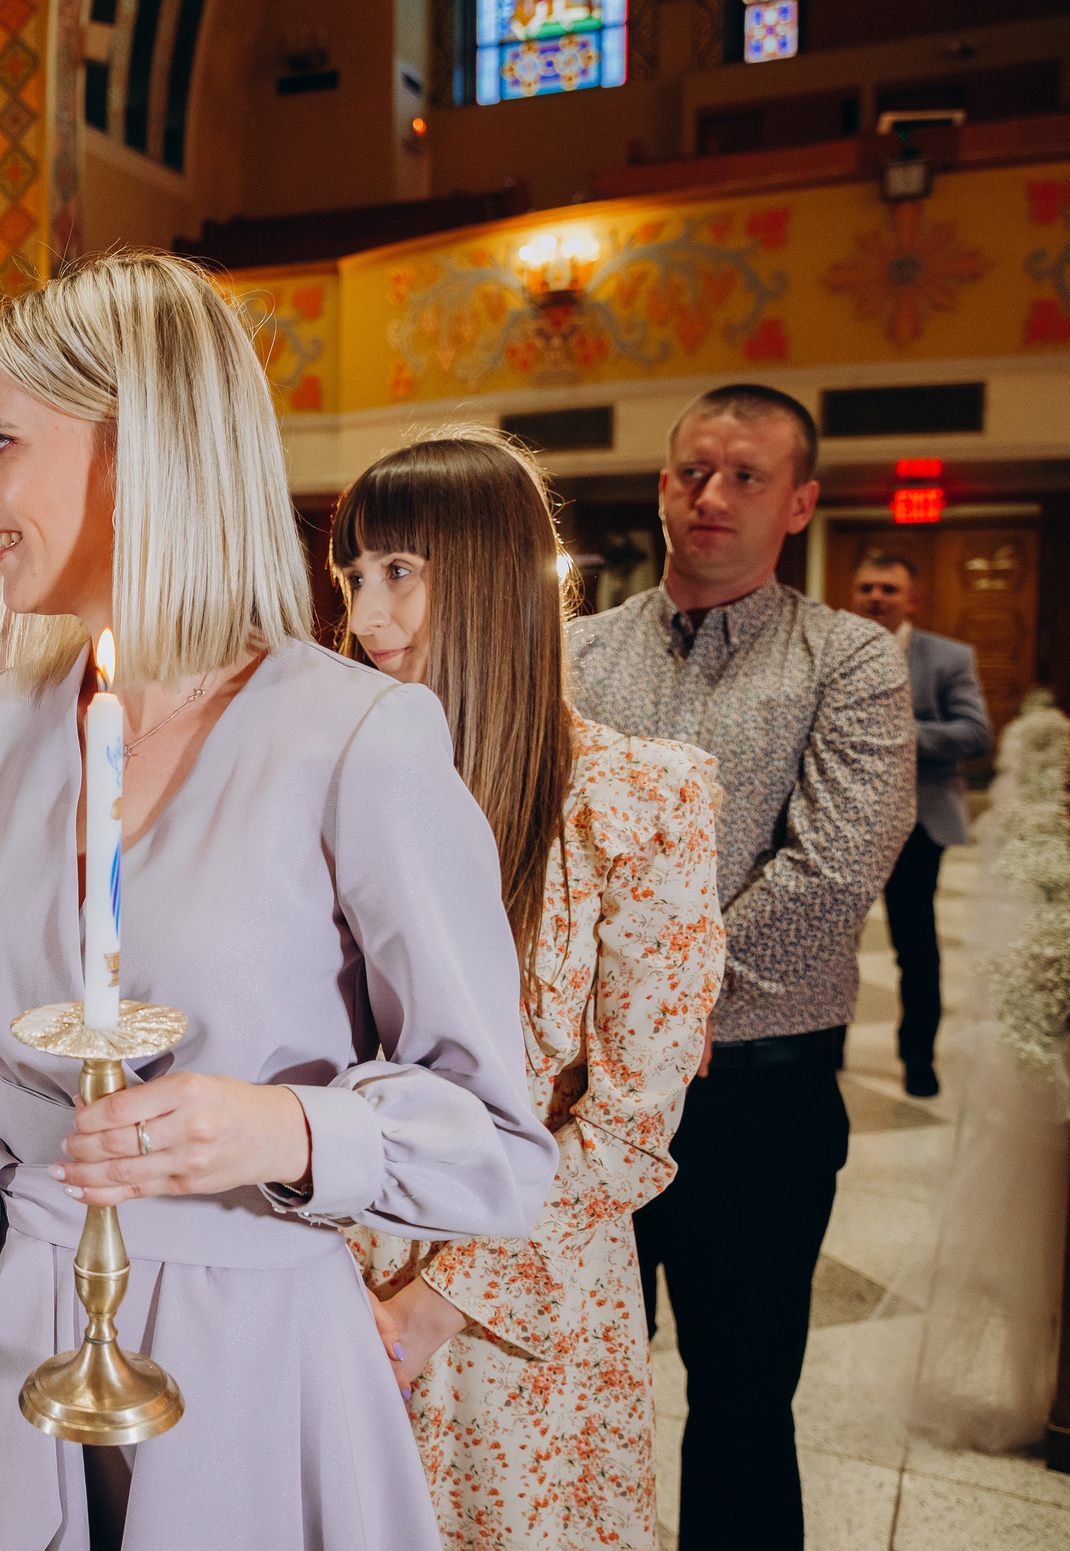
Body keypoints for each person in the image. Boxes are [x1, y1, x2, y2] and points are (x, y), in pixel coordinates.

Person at [0, 252, 555, 1551]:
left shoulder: (355, 738)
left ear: (139, 451)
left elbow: (499, 1139)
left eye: (0, 439)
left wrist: (284, 1129)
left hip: (239, 1346)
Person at [335, 430, 726, 1551]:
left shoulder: (637, 799)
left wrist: (429, 1305)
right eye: (354, 577)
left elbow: (629, 1124)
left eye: (399, 571)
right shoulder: (332, 783)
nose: (367, 618)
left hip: (515, 1299)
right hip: (333, 1260)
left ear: (495, 571)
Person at [568, 384, 915, 1550]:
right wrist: (614, 1034)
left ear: (800, 502)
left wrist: (664, 1012)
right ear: (661, 484)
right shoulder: (571, 653)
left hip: (755, 1089)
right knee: (569, 1387)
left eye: (745, 476)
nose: (709, 496)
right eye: (689, 472)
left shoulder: (848, 660)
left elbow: (830, 871)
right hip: (581, 1092)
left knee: (740, 1399)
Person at [849, 553, 992, 1097]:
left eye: (889, 588)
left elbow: (974, 733)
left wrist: (895, 731)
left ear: (912, 599)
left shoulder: (948, 656)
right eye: (866, 587)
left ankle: (918, 1059)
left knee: (916, 945)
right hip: (850, 820)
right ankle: (828, 1049)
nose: (876, 597)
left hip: (920, 822)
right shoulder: (833, 651)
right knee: (831, 945)